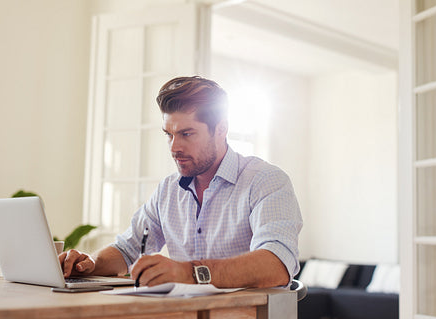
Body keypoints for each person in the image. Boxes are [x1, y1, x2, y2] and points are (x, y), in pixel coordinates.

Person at [60, 76, 303, 288]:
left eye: (186, 134)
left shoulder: (265, 181)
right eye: (169, 134)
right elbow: (127, 250)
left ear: (221, 129)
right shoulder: (168, 190)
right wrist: (89, 264)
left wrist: (189, 273)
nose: (174, 147)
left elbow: (276, 264)